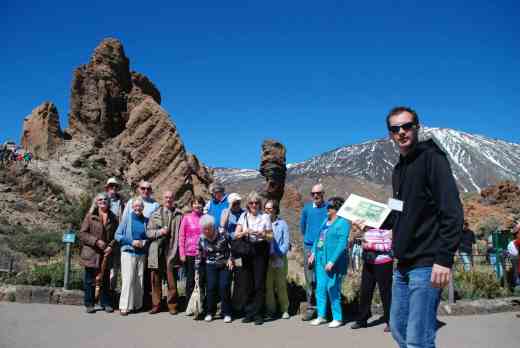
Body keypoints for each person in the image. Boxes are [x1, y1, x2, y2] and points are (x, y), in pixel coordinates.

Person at [386, 106, 464, 347]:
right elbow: (398, 212)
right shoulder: (398, 169)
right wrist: (372, 219)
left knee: (418, 339)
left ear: (417, 128)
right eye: (395, 128)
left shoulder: (432, 158)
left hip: (427, 263)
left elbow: (452, 210)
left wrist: (444, 258)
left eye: (407, 126)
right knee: (398, 328)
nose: (401, 132)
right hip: (403, 265)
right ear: (390, 134)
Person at [308, 197, 350, 328]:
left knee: (332, 288)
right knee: (320, 288)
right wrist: (313, 252)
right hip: (320, 258)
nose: (327, 209)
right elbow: (317, 238)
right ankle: (321, 316)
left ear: (337, 209)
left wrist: (332, 261)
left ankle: (338, 317)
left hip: (333, 261)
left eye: (330, 207)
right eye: (328, 207)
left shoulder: (343, 223)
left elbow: (342, 244)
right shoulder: (326, 221)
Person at [235, 191, 273, 325]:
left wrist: (263, 234)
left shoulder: (265, 217)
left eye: (256, 202)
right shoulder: (243, 216)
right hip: (247, 250)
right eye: (251, 203)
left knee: (259, 283)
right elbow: (236, 234)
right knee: (248, 282)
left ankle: (258, 313)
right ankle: (249, 312)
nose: (254, 205)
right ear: (248, 204)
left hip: (261, 250)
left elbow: (270, 237)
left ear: (260, 204)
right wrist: (246, 231)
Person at [351, 217, 393, 332]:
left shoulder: (387, 231)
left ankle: (391, 321)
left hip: (383, 263)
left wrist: (370, 246)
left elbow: (388, 247)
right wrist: (357, 231)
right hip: (369, 263)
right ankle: (362, 319)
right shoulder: (368, 230)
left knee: (385, 292)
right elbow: (359, 240)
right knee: (365, 290)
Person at [79, 193, 118, 313]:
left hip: (106, 254)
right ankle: (89, 304)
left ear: (109, 202)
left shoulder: (113, 217)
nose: (103, 201)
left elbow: (116, 235)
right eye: (100, 199)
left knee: (105, 279)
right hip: (92, 253)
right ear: (96, 202)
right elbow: (82, 234)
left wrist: (111, 246)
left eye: (105, 199)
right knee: (89, 279)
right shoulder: (90, 216)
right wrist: (96, 241)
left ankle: (105, 303)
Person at [146, 191, 183, 314]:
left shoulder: (179, 215)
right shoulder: (155, 214)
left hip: (172, 250)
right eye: (166, 197)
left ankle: (172, 305)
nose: (168, 199)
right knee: (155, 279)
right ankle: (156, 305)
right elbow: (148, 233)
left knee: (171, 279)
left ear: (174, 199)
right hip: (157, 250)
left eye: (170, 197)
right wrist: (159, 232)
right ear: (163, 199)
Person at [115, 197, 150, 315]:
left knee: (139, 279)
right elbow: (117, 235)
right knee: (128, 279)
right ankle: (124, 306)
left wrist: (144, 242)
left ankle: (137, 305)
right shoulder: (126, 219)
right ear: (132, 207)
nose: (137, 208)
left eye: (140, 206)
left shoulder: (146, 220)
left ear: (143, 208)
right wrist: (131, 242)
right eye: (135, 206)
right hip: (128, 252)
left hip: (141, 253)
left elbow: (147, 236)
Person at [197, 214, 234, 323]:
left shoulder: (223, 233)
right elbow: (198, 254)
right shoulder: (202, 238)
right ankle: (210, 312)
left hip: (224, 263)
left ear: (213, 227)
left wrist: (231, 259)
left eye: (208, 229)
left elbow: (233, 247)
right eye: (204, 229)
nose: (206, 231)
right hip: (210, 264)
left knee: (224, 286)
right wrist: (196, 269)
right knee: (211, 287)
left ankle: (227, 312)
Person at [300, 183, 328, 321]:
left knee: (323, 277)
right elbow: (303, 228)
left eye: (318, 193)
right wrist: (310, 243)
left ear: (323, 194)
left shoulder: (329, 208)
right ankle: (311, 308)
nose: (316, 196)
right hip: (309, 247)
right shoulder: (306, 209)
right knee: (310, 278)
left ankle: (324, 308)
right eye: (313, 194)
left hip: (324, 247)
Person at [219, 193, 249, 316]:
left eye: (238, 202)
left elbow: (243, 231)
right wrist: (229, 209)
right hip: (227, 250)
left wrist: (234, 235)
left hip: (239, 250)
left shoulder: (243, 213)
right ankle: (225, 307)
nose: (237, 205)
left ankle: (238, 306)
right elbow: (222, 228)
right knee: (226, 280)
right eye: (234, 203)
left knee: (239, 279)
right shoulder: (226, 212)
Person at [264, 199, 290, 320]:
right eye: (266, 209)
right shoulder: (262, 223)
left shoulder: (282, 224)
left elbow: (286, 242)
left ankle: (284, 309)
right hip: (267, 259)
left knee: (281, 285)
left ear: (275, 210)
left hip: (280, 258)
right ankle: (270, 310)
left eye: (271, 208)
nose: (268, 211)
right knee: (268, 286)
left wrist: (278, 254)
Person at [179, 196, 205, 309]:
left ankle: (200, 304)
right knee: (190, 280)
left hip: (204, 253)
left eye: (199, 203)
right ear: (191, 205)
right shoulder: (186, 218)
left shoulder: (205, 218)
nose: (197, 205)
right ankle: (189, 305)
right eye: (195, 203)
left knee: (202, 279)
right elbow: (181, 236)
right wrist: (182, 253)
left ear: (203, 205)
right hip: (189, 253)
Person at [104, 178, 125, 300]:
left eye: (115, 187)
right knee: (103, 266)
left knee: (115, 267)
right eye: (111, 187)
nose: (113, 189)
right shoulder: (101, 200)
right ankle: (102, 293)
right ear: (107, 188)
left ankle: (111, 294)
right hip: (104, 238)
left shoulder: (121, 202)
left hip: (117, 239)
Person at [507, 223, 520, 288]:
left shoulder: (512, 243)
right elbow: (516, 254)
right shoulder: (513, 243)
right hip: (517, 262)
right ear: (517, 234)